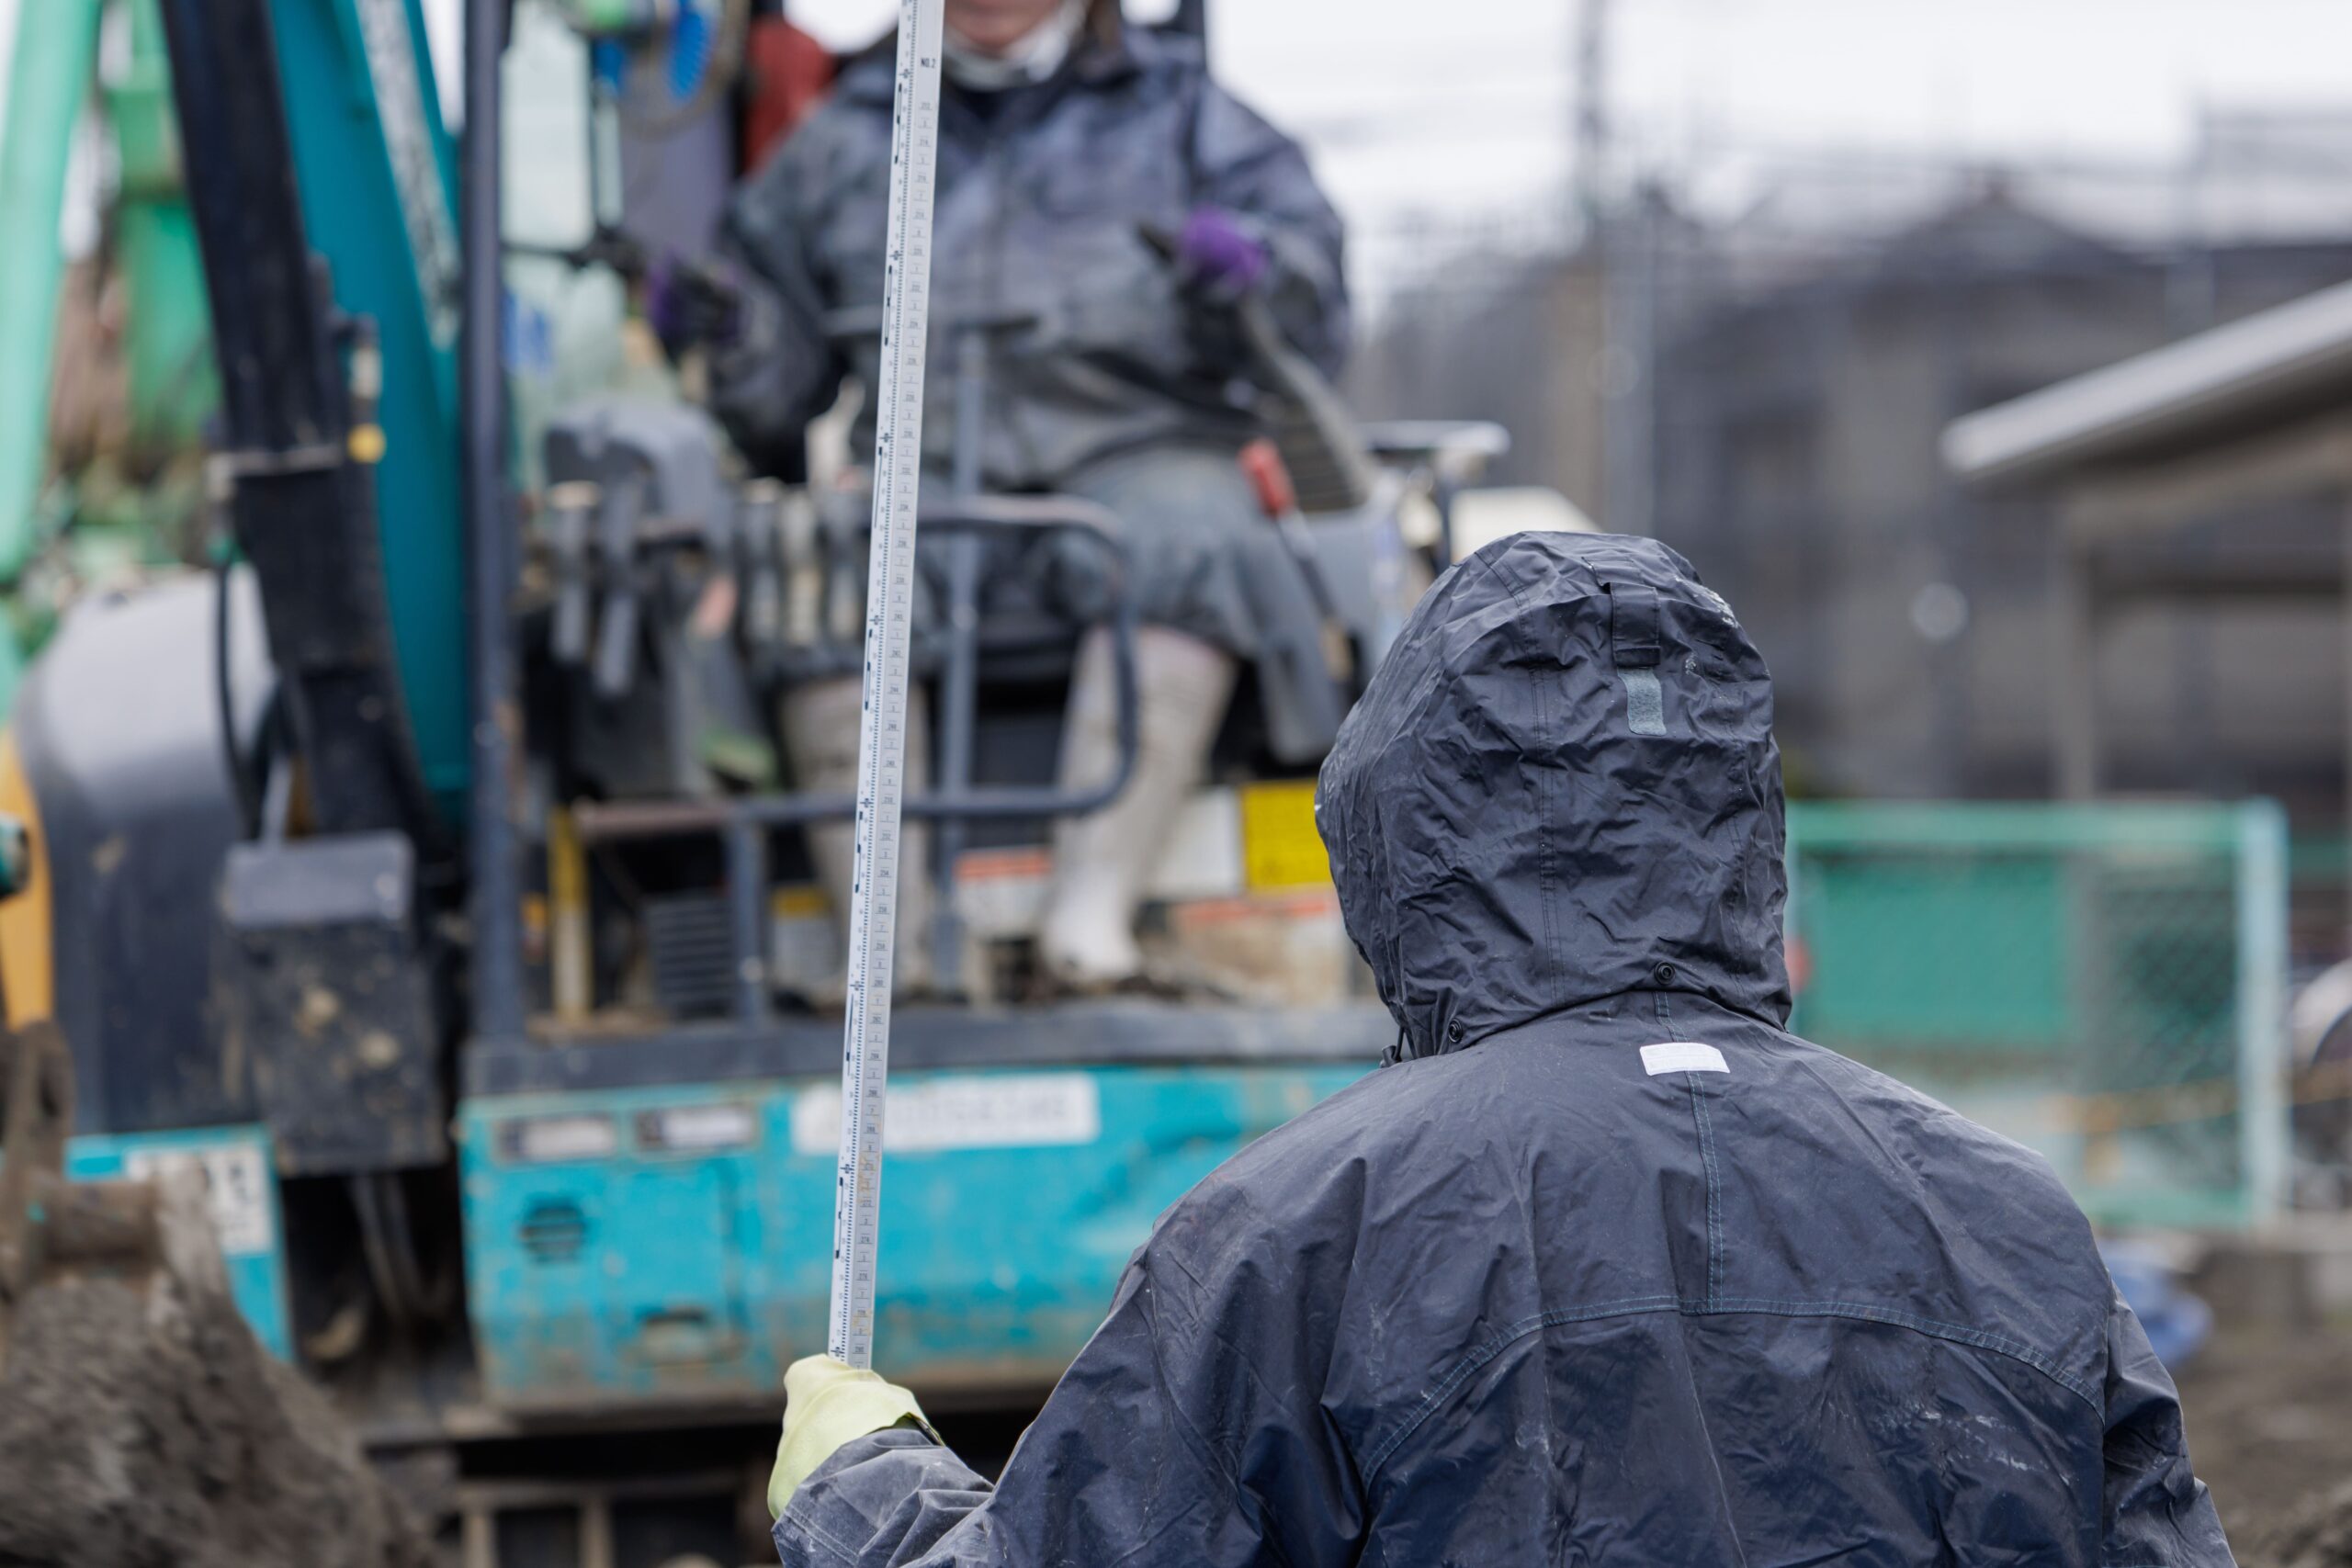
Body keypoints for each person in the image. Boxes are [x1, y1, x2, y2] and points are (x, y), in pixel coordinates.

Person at [760, 530, 2236, 1567]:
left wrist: (859, 1482)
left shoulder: (1299, 1233)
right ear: (1741, 822)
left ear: (1402, 834)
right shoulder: (2006, 1215)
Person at [664, 0, 1350, 993]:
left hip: (1141, 442)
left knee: (1197, 539)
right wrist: (730, 334)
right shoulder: (848, 133)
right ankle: (889, 958)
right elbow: (780, 388)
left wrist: (1250, 275)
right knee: (815, 566)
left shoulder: (1183, 113)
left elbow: (1308, 295)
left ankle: (1090, 924)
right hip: (923, 458)